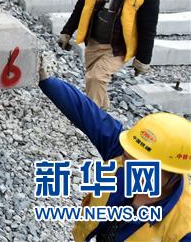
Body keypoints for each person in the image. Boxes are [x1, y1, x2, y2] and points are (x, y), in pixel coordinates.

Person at [38, 65, 191, 240]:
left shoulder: (183, 228)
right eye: (127, 159)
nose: (129, 169)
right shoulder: (122, 152)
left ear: (173, 173)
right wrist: (47, 81)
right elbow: (87, 113)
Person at [57, 0, 159, 110]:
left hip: (118, 48)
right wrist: (67, 32)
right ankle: (104, 113)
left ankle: (92, 120)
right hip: (93, 41)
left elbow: (148, 30)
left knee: (96, 78)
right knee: (93, 79)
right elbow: (81, 7)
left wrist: (142, 60)